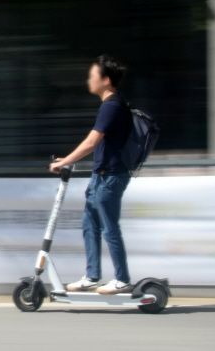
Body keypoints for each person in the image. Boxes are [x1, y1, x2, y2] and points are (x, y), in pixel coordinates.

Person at [48, 54, 134, 294]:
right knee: (89, 225)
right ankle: (92, 275)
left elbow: (92, 142)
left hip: (111, 177)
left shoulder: (112, 105)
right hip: (101, 176)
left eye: (92, 76)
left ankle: (122, 279)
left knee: (109, 228)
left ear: (105, 80)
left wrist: (65, 161)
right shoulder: (111, 105)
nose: (88, 80)